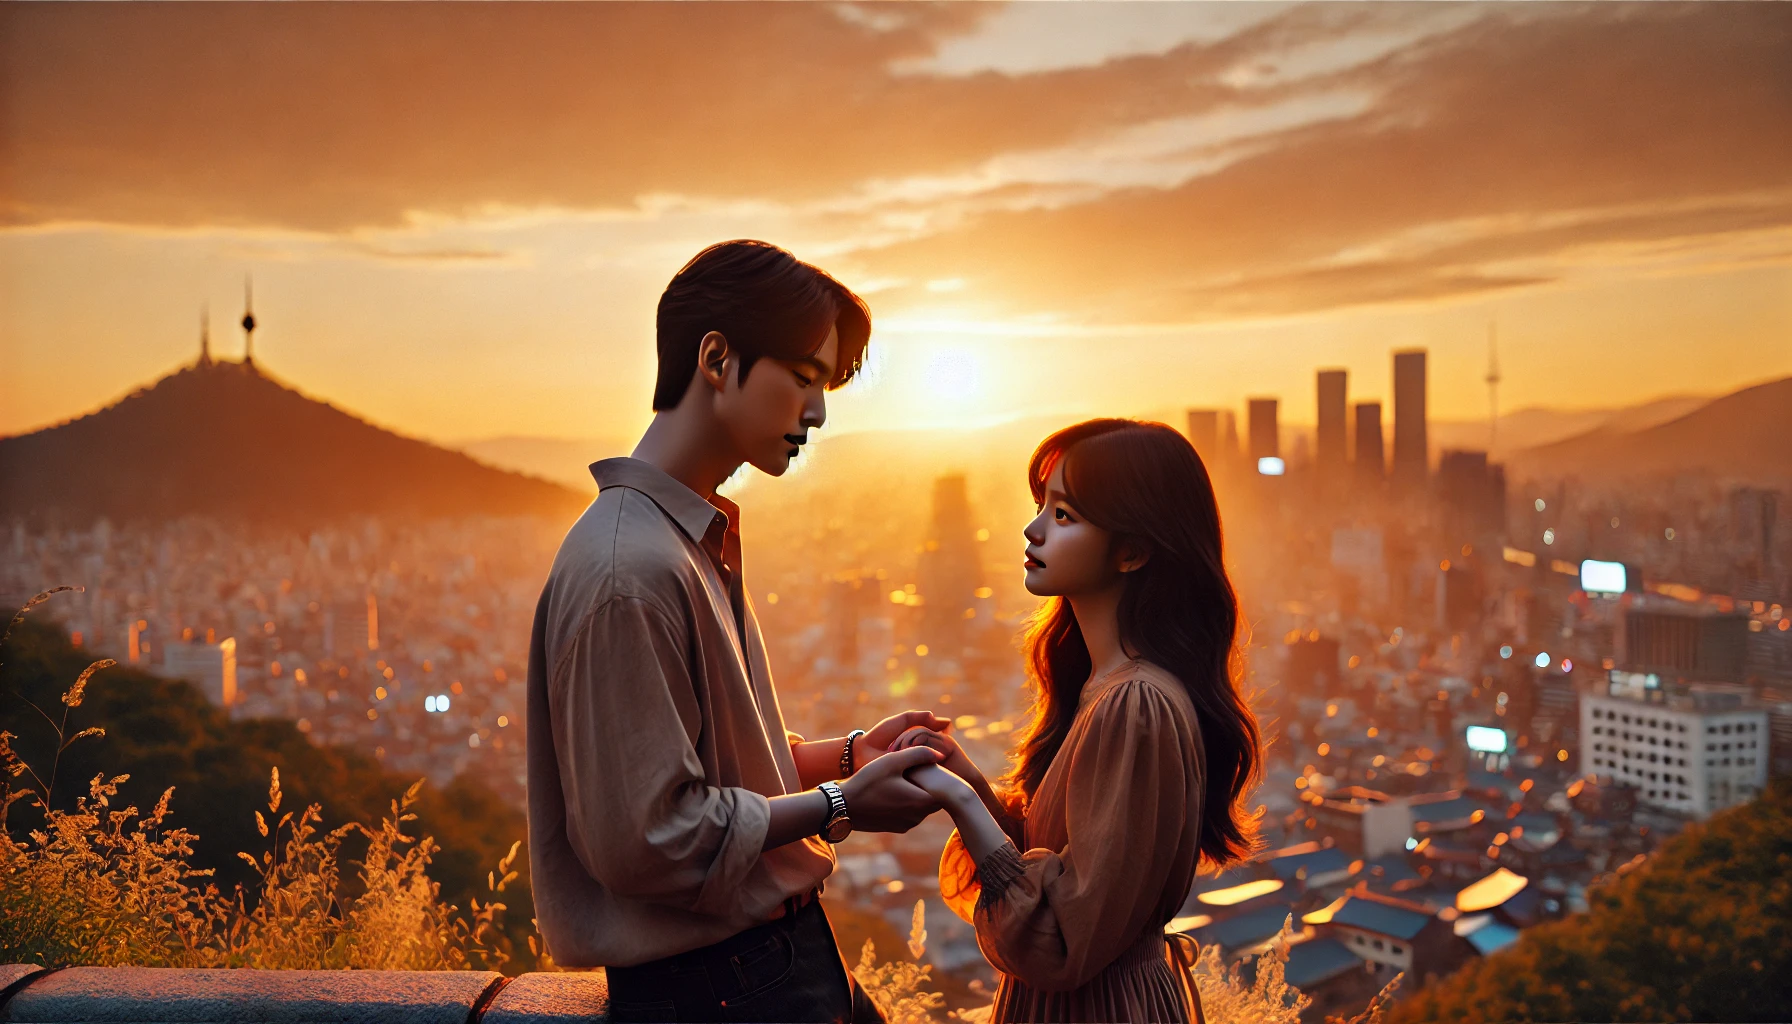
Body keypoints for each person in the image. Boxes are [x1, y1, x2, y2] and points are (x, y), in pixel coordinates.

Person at [525, 239, 952, 1024]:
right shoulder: (632, 571)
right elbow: (647, 835)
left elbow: (716, 771)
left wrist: (853, 757)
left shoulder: (682, 542)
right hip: (719, 990)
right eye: (805, 377)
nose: (818, 412)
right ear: (718, 358)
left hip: (771, 966)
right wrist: (836, 802)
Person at [891, 418, 1265, 1024]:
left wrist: (960, 803)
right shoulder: (1105, 689)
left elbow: (1063, 938)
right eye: (1041, 506)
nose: (1032, 528)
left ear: (1133, 550)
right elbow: (1063, 863)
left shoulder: (1135, 704)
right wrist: (970, 784)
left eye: (1064, 515)